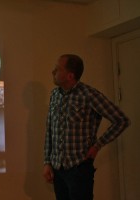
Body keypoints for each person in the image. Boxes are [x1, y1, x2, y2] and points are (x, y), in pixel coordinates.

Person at [43, 54, 130, 200]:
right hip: (58, 169)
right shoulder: (55, 95)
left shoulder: (89, 95)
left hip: (79, 167)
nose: (53, 71)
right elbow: (50, 130)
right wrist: (47, 162)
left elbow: (121, 120)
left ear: (70, 75)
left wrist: (98, 145)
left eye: (57, 69)